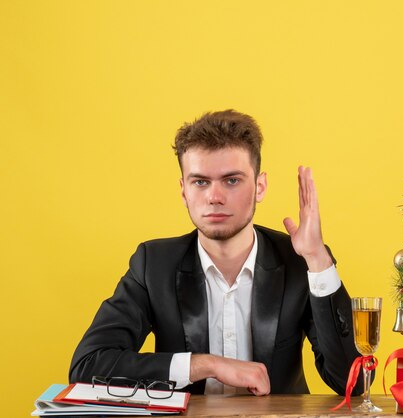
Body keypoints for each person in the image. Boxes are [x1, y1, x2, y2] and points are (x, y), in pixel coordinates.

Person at [69, 110, 362, 396]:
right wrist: (205, 365)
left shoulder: (300, 262)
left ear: (259, 187)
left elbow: (354, 383)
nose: (214, 197)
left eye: (232, 180)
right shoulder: (153, 264)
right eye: (200, 182)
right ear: (184, 191)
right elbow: (87, 365)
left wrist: (317, 260)